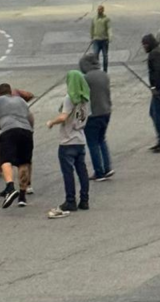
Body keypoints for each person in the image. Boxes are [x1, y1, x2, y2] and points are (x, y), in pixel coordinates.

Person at [46, 71, 91, 219]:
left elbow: (64, 116)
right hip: (80, 138)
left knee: (68, 172)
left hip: (67, 140)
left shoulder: (70, 98)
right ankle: (84, 199)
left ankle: (70, 200)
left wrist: (51, 122)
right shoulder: (85, 99)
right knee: (82, 171)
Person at [0, 83, 34, 209]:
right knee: (23, 163)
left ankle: (10, 187)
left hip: (8, 131)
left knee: (5, 160)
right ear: (10, 92)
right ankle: (22, 196)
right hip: (26, 131)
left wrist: (3, 127)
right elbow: (30, 118)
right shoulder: (21, 100)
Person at [79, 54, 114, 181]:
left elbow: (80, 96)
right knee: (101, 140)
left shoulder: (86, 78)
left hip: (93, 114)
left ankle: (99, 172)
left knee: (92, 143)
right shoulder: (104, 75)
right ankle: (107, 167)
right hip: (106, 111)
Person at [90, 5, 112, 72]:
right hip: (96, 40)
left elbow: (109, 28)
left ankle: (105, 70)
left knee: (105, 56)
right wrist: (92, 37)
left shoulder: (106, 19)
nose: (99, 11)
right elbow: (92, 28)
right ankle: (97, 70)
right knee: (95, 55)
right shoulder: (94, 18)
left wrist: (110, 37)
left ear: (103, 10)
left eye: (101, 10)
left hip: (104, 40)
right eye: (98, 10)